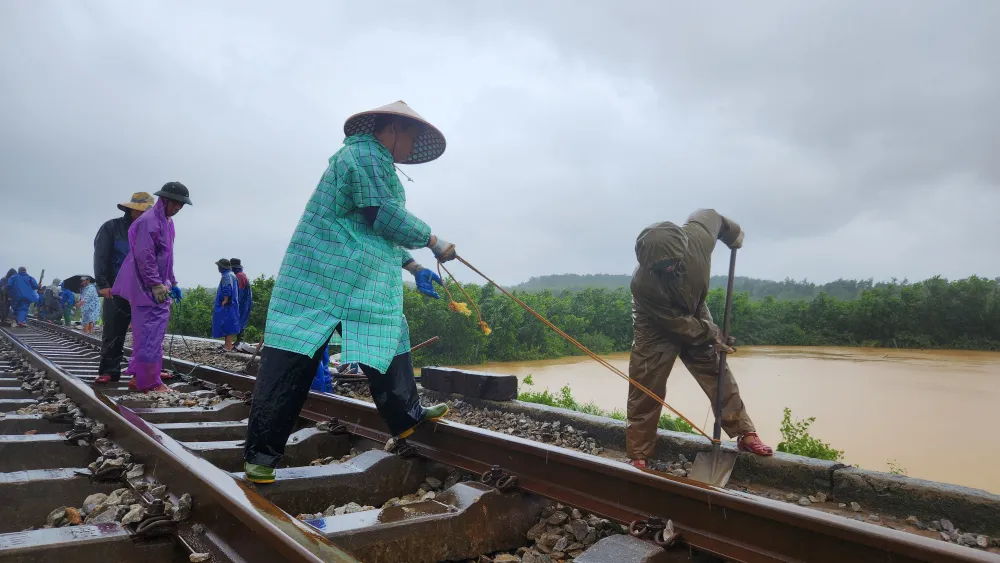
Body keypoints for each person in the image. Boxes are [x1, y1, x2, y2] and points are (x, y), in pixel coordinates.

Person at [243, 101, 455, 484]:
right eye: (411, 137)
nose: (411, 147)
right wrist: (433, 242)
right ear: (393, 130)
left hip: (349, 277)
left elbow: (370, 230)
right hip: (324, 276)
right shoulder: (366, 155)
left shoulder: (371, 160)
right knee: (294, 356)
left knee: (389, 331)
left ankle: (407, 416)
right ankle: (260, 456)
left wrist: (414, 267)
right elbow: (384, 216)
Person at [627, 209, 773, 469]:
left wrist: (734, 234)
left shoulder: (698, 238)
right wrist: (712, 332)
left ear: (684, 247)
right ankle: (639, 453)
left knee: (715, 369)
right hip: (655, 324)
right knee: (646, 383)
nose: (667, 268)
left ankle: (744, 432)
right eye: (660, 267)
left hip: (694, 306)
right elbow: (677, 323)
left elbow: (713, 217)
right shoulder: (642, 284)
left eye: (671, 262)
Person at [112, 182, 191, 392]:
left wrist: (172, 281)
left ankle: (138, 376)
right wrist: (155, 284)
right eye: (175, 203)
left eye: (182, 204)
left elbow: (167, 258)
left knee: (150, 333)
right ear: (164, 200)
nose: (178, 208)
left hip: (158, 285)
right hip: (145, 286)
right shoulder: (149, 222)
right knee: (149, 333)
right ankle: (149, 382)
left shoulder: (167, 222)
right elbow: (144, 256)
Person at [94, 192, 155, 384]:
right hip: (116, 288)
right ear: (131, 209)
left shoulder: (151, 231)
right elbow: (101, 256)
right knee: (113, 330)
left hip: (143, 289)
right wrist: (103, 284)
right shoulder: (111, 227)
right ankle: (109, 371)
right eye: (141, 210)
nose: (144, 214)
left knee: (147, 332)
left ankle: (144, 372)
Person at [212, 258, 241, 352]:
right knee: (228, 325)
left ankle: (228, 347)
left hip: (227, 306)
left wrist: (225, 300)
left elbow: (227, 288)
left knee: (226, 326)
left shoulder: (226, 276)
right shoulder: (232, 274)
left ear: (222, 267)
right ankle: (227, 345)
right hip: (232, 305)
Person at [230, 258, 252, 347]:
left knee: (239, 320)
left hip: (242, 303)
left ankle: (239, 342)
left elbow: (239, 292)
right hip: (244, 302)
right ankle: (238, 342)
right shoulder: (241, 275)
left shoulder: (239, 276)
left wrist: (234, 303)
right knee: (240, 320)